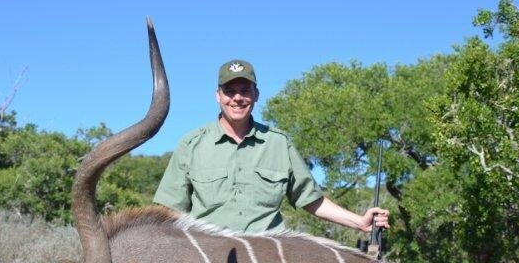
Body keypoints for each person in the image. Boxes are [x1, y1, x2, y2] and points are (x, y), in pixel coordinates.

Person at [154, 59, 389, 235]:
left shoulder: (278, 143)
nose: (237, 98)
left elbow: (311, 199)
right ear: (218, 96)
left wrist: (360, 222)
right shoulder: (192, 144)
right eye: (230, 91)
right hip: (209, 258)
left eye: (245, 91)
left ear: (256, 95)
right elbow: (165, 213)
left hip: (269, 258)